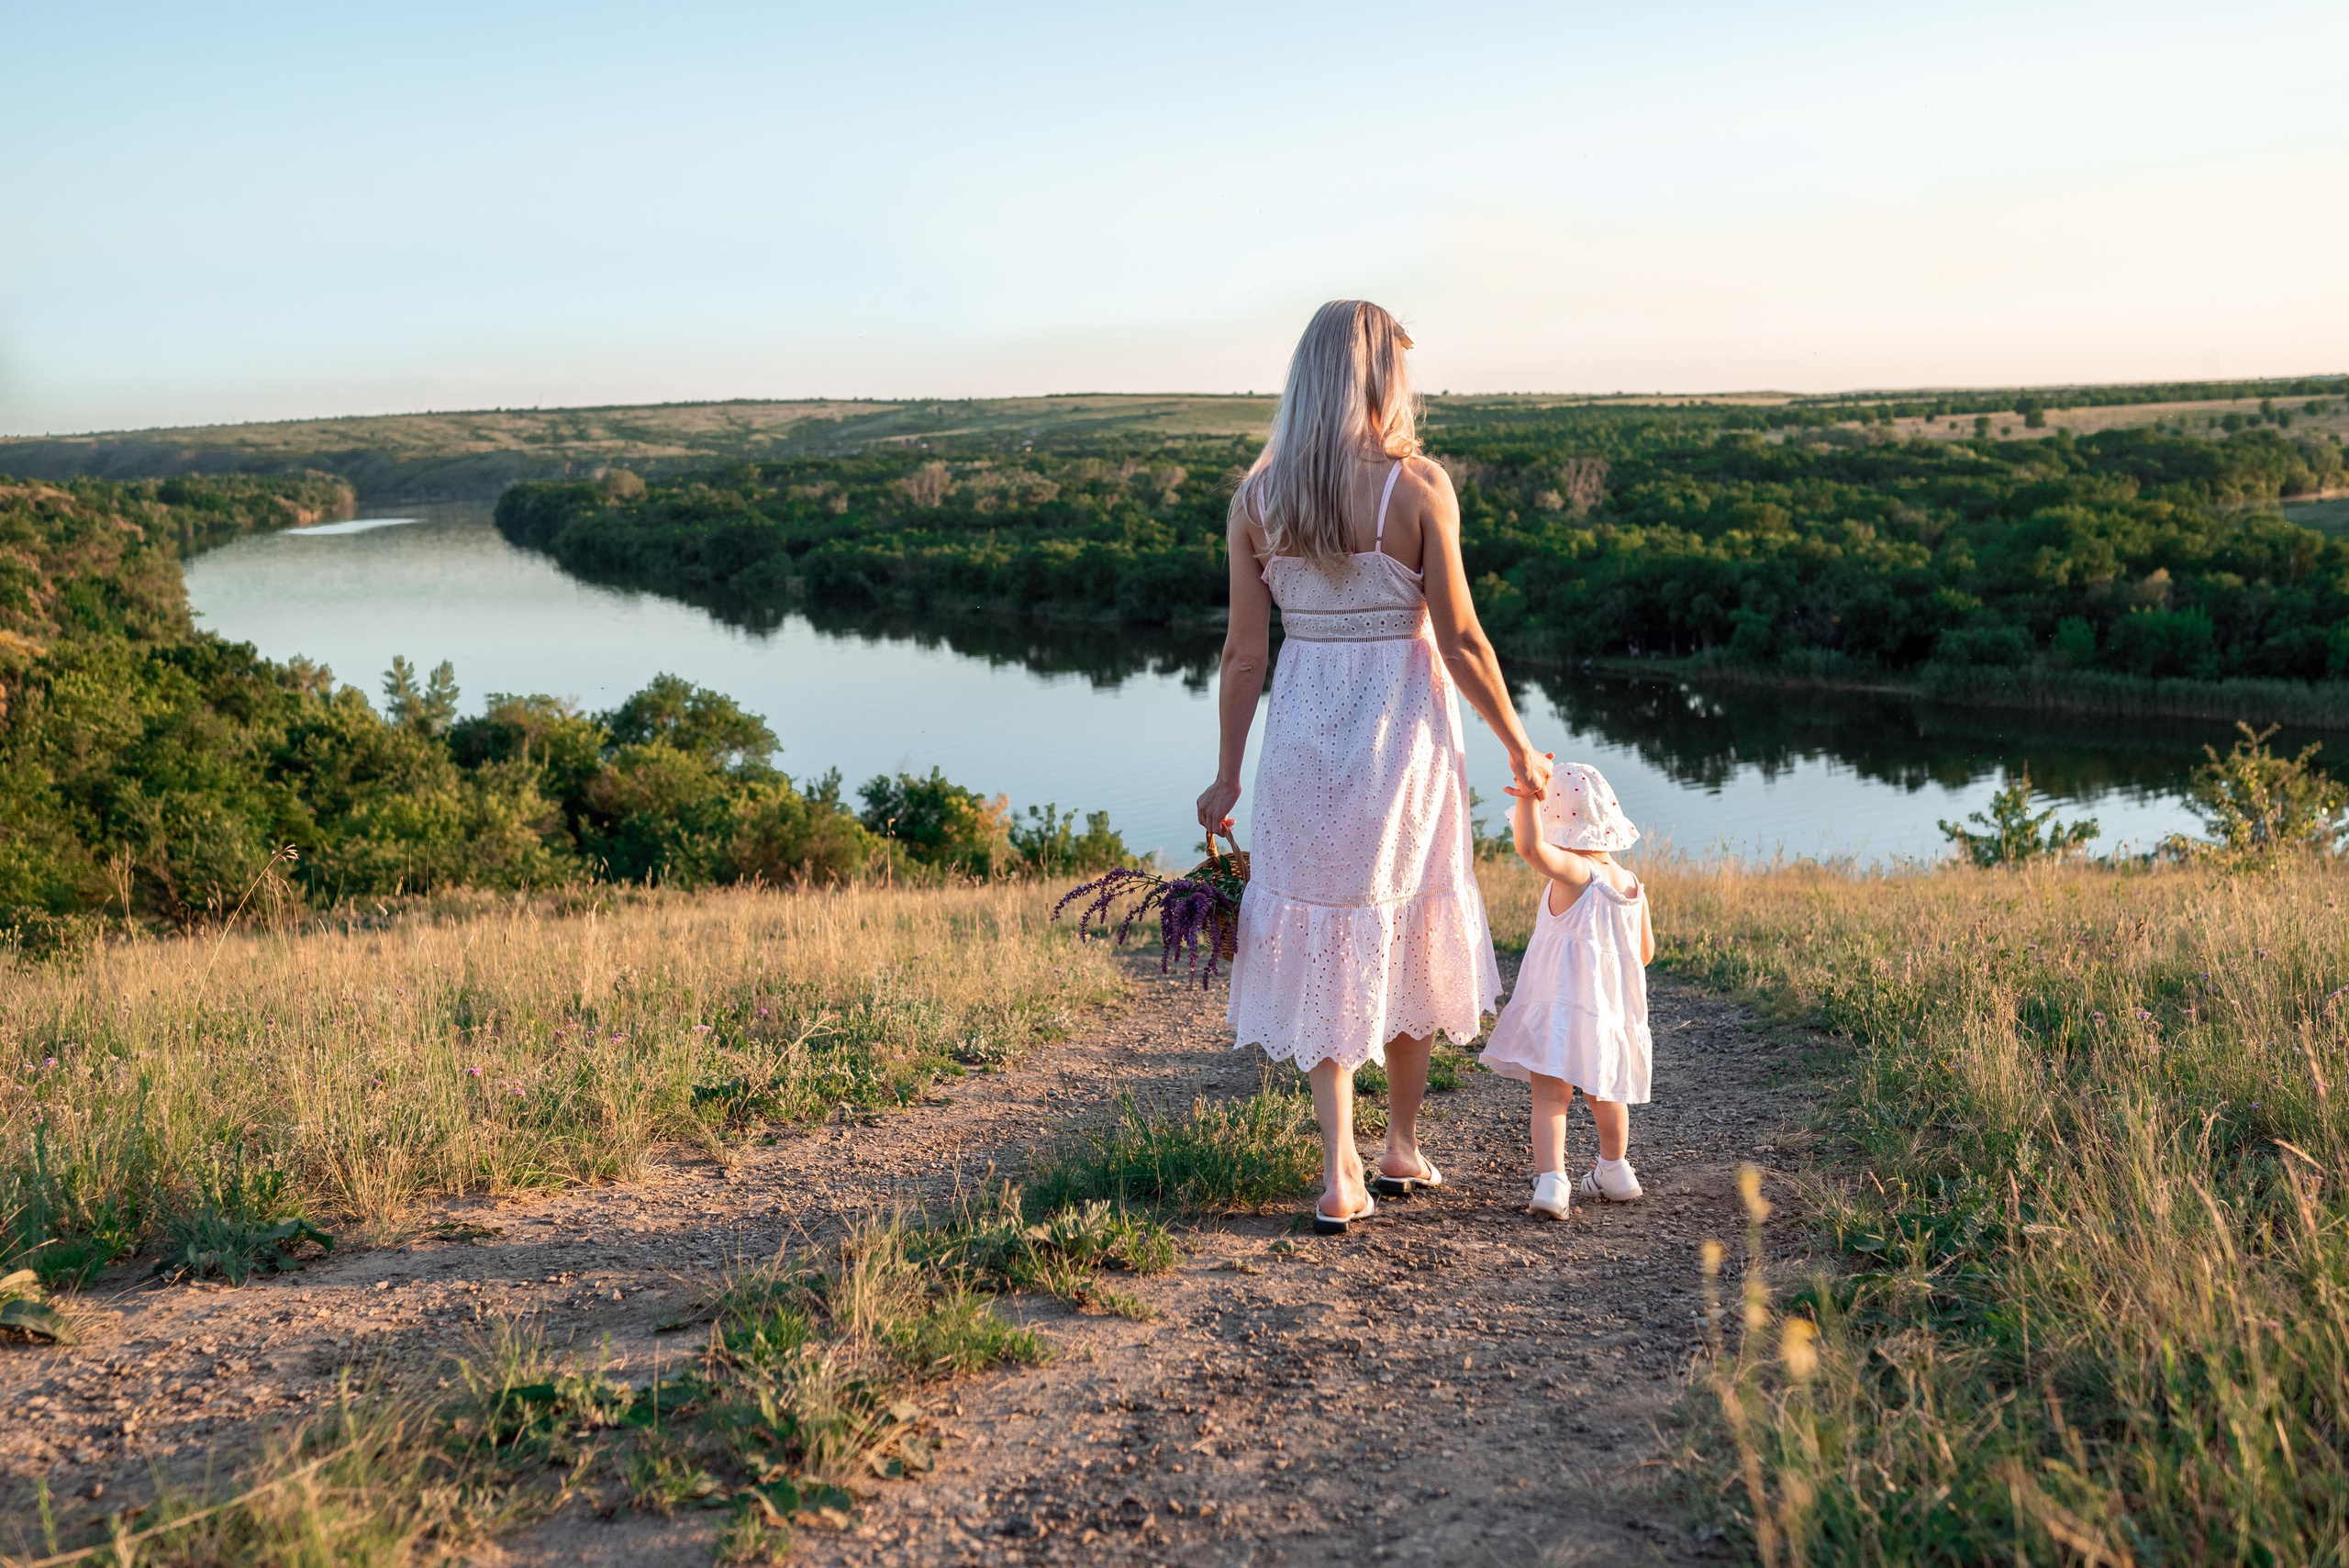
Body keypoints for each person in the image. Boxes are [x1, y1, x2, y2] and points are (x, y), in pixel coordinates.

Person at [1197, 299, 1553, 1235]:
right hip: (1404, 738)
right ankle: (1398, 1141)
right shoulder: (1417, 486)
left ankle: (1340, 1165)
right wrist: (1518, 744)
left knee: (1324, 928)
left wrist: (1226, 775)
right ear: (1378, 375)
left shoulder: (1257, 499)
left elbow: (1242, 656)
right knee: (1404, 917)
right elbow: (1465, 637)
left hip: (1303, 739)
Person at [1479, 762, 1654, 1220]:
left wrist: (1524, 796)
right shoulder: (1633, 886)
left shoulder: (1575, 874)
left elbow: (1530, 847)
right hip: (1606, 1015)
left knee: (1550, 1095)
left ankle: (1553, 1180)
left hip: (1560, 1009)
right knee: (1606, 1091)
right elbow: (1646, 953)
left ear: (1561, 823)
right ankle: (1615, 1169)